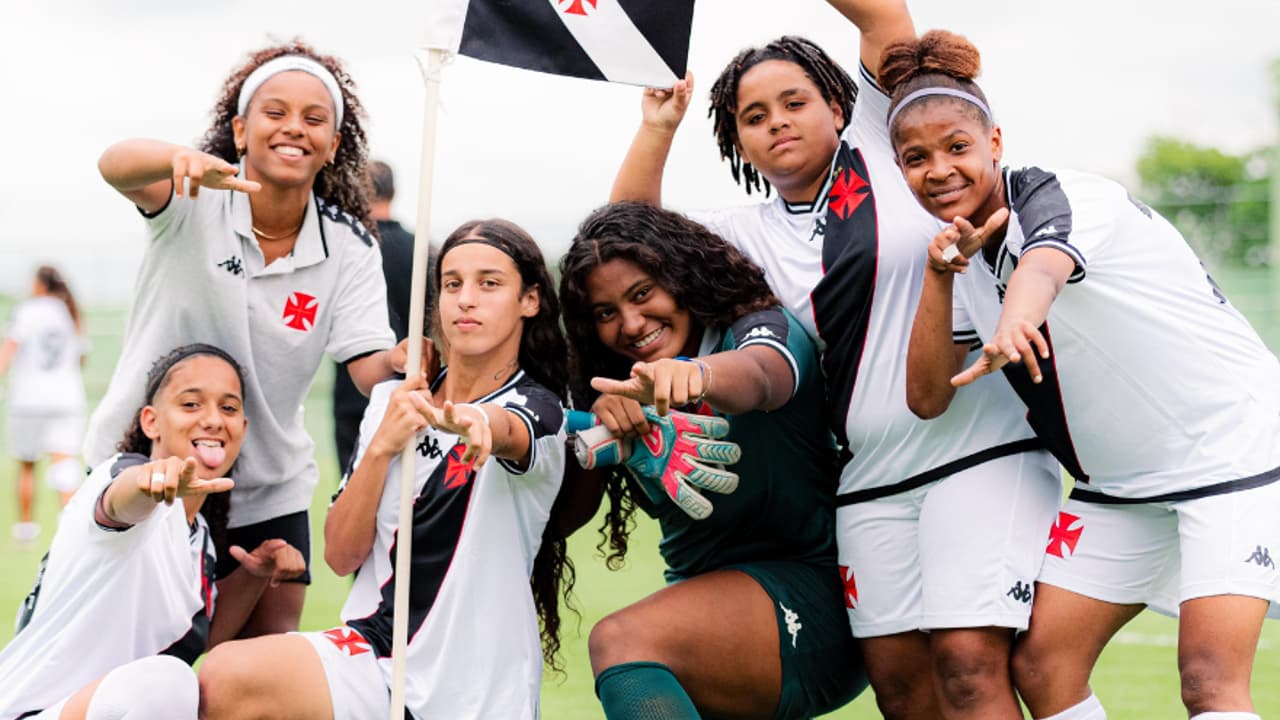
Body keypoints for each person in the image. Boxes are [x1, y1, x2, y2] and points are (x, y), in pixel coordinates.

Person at [609, 2, 1061, 717]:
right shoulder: (743, 237)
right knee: (903, 692)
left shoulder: (884, 148)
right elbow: (624, 241)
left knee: (969, 667)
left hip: (979, 448)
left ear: (840, 107)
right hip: (867, 477)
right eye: (754, 117)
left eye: (795, 102)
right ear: (736, 140)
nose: (777, 122)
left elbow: (883, 18)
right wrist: (659, 127)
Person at [886, 30, 1280, 720]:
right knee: (1043, 665)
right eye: (916, 159)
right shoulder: (960, 257)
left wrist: (1016, 320)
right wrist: (937, 276)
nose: (939, 170)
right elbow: (926, 398)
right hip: (1122, 485)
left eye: (957, 147)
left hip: (1233, 452)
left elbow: (1045, 264)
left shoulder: (1064, 195)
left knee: (1208, 679)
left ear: (995, 143)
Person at [89, 40, 411, 637]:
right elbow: (114, 164)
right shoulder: (192, 198)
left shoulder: (350, 245)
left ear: (333, 145)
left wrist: (401, 357)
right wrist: (176, 157)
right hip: (149, 466)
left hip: (268, 489)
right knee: (131, 658)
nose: (294, 128)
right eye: (275, 112)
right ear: (240, 130)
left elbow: (368, 364)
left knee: (258, 668)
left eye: (314, 119)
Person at [198, 219, 570, 720]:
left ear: (530, 300)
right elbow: (340, 556)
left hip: (473, 688)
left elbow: (513, 428)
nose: (466, 299)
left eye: (489, 283)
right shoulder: (392, 401)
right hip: (373, 655)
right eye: (453, 284)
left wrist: (481, 421)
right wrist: (382, 447)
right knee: (225, 677)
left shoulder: (538, 409)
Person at [558, 202, 865, 720]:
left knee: (622, 641)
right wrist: (594, 424)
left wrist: (696, 375)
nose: (631, 324)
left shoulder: (756, 330)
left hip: (814, 600)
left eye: (642, 294)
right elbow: (563, 518)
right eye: (606, 313)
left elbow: (760, 376)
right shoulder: (616, 384)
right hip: (708, 619)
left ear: (681, 277)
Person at [0, 344, 304, 720]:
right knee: (168, 682)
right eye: (191, 404)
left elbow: (203, 636)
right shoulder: (120, 476)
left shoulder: (200, 538)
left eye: (228, 408)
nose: (213, 420)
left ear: (242, 428)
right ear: (151, 422)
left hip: (103, 711)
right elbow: (119, 504)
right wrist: (147, 483)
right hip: (28, 712)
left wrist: (254, 575)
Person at [332, 159, 417, 475]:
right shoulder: (421, 250)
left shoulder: (348, 249)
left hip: (353, 395)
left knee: (353, 489)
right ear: (393, 192)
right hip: (410, 392)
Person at [0, 265, 88, 543]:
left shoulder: (27, 311)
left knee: (27, 463)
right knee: (65, 461)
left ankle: (26, 528)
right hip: (66, 399)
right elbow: (81, 357)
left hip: (28, 399)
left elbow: (9, 349)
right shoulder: (70, 312)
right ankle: (70, 526)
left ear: (40, 285)